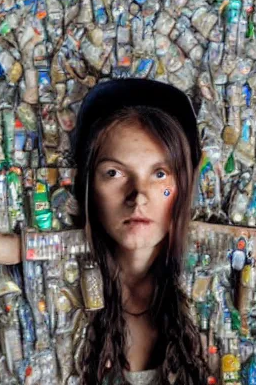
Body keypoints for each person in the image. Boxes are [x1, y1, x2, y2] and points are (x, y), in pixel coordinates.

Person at [69, 78, 209, 385]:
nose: (138, 196)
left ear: (183, 188)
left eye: (159, 174)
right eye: (114, 173)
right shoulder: (62, 291)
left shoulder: (210, 288)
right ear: (90, 188)